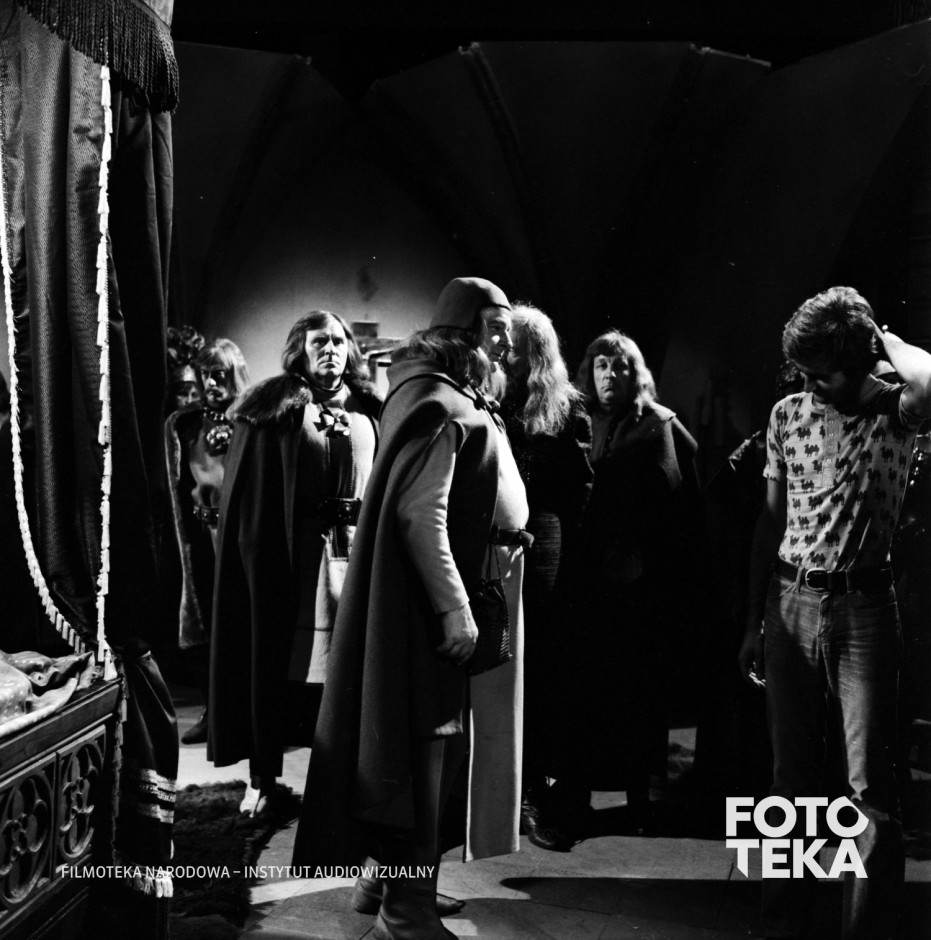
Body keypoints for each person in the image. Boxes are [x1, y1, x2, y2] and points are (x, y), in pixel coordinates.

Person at [292, 276, 529, 940]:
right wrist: (455, 609)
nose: (506, 344)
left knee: (436, 757)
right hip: (433, 611)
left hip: (460, 591)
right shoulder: (437, 402)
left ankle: (384, 885)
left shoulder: (442, 394)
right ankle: (407, 911)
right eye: (497, 329)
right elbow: (421, 514)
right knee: (427, 758)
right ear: (464, 332)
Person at [737, 286, 931, 940]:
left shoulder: (898, 410)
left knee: (870, 788)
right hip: (788, 600)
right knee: (788, 780)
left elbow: (929, 378)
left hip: (865, 608)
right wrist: (752, 621)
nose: (808, 384)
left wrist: (881, 337)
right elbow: (770, 523)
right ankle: (782, 924)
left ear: (857, 361)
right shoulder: (786, 415)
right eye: (801, 371)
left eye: (820, 373)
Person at [209, 311, 381, 814]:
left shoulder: (372, 409)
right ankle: (263, 778)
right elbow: (252, 499)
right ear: (299, 350)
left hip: (356, 557)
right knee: (277, 666)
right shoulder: (273, 410)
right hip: (293, 561)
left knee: (348, 672)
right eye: (318, 341)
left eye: (338, 341)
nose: (330, 349)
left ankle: (345, 780)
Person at [549, 329, 702, 841]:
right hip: (583, 578)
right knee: (583, 692)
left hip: (636, 586)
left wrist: (644, 553)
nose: (610, 375)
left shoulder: (658, 425)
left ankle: (639, 801)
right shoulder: (577, 420)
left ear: (636, 374)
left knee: (635, 694)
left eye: (620, 367)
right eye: (601, 366)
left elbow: (680, 508)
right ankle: (576, 799)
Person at [500, 303, 593, 851]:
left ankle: (533, 790)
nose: (502, 356)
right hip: (496, 541)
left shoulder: (565, 406)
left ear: (533, 353)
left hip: (543, 542)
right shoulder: (491, 396)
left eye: (511, 348)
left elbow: (580, 488)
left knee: (537, 666)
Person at [165, 337, 250, 745]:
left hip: (241, 537)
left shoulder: (253, 421)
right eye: (206, 376)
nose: (212, 384)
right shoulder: (187, 424)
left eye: (220, 375)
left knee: (241, 625)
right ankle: (212, 710)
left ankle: (244, 716)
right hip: (201, 536)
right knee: (201, 625)